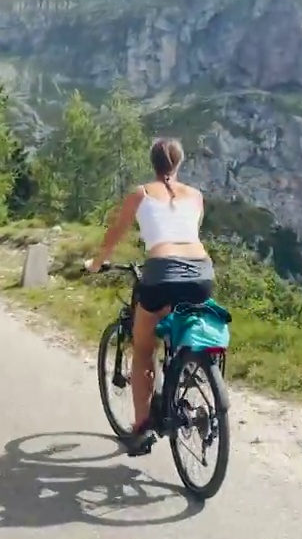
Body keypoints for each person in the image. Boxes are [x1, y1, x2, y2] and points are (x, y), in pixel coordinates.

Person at [85, 137, 215, 453]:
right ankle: (185, 372)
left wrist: (96, 263)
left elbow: (116, 233)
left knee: (143, 349)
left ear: (152, 163)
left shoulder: (140, 194)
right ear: (179, 163)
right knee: (180, 325)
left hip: (161, 271)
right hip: (201, 273)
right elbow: (187, 229)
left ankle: (142, 426)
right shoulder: (196, 196)